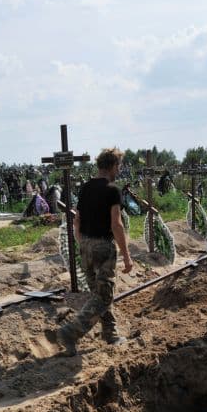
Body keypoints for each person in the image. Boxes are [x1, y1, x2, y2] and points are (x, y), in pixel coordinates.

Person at [52, 148, 135, 356]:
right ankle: (70, 332)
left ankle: (110, 333)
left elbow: (77, 220)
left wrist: (82, 241)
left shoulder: (86, 188)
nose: (120, 169)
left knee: (99, 294)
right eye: (119, 166)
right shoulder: (112, 189)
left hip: (85, 245)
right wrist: (126, 256)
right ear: (114, 166)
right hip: (103, 247)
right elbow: (117, 225)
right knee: (104, 296)